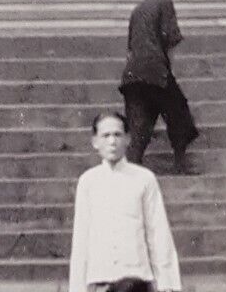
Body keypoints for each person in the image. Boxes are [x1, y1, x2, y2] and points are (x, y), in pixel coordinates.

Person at [68, 110, 182, 292]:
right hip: (100, 280)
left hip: (136, 281)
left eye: (117, 135)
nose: (112, 141)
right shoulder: (88, 182)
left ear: (128, 139)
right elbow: (81, 239)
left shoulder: (144, 179)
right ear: (95, 142)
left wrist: (168, 285)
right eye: (105, 136)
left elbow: (158, 234)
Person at [119, 0, 199, 174]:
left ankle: (130, 169)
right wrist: (168, 70)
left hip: (132, 75)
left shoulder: (138, 9)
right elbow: (170, 39)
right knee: (179, 113)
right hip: (156, 70)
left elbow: (131, 47)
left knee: (139, 127)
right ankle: (181, 163)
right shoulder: (165, 3)